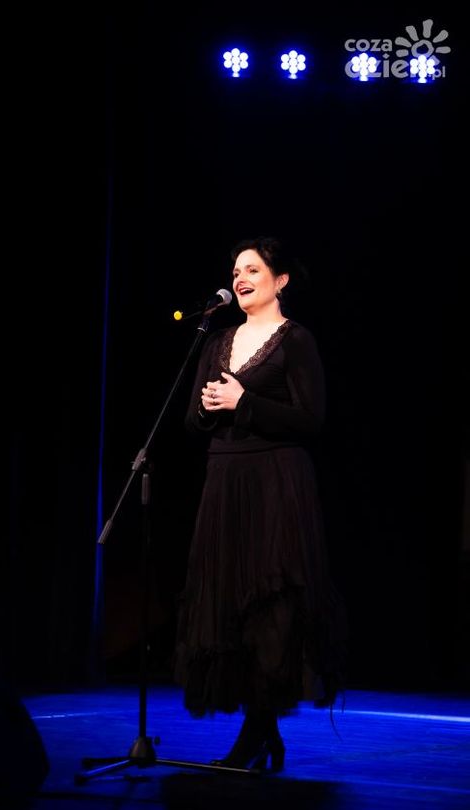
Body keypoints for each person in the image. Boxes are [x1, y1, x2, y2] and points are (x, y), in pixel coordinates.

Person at [173, 236, 347, 772]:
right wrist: (209, 408)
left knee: (269, 604)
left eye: (251, 269)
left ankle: (256, 735)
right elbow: (191, 421)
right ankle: (262, 734)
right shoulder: (216, 340)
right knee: (230, 603)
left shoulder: (295, 340)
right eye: (235, 270)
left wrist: (245, 402)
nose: (240, 277)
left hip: (276, 480)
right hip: (225, 480)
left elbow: (311, 419)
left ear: (280, 280)